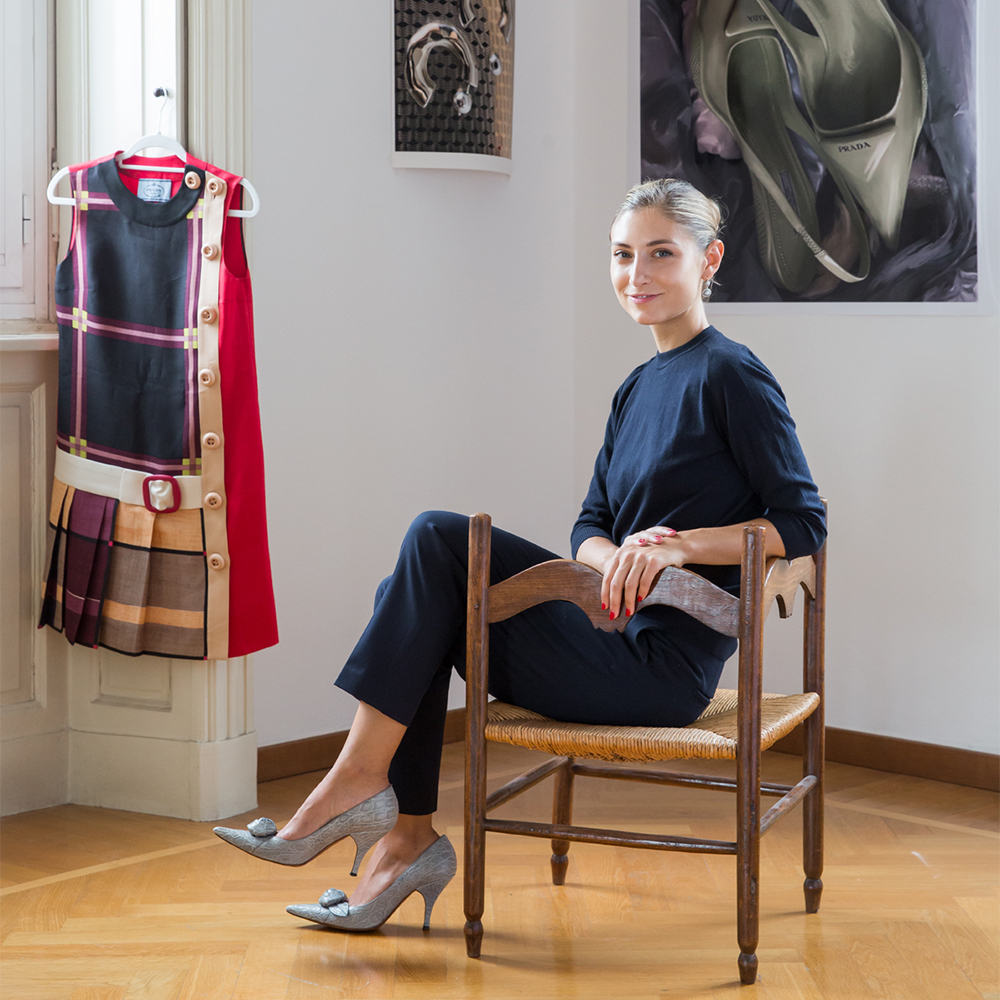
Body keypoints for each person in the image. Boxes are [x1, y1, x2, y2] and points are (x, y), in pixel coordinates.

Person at [214, 178, 827, 932]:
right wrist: (610, 558)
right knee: (427, 585)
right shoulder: (637, 387)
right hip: (603, 631)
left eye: (661, 253)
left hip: (660, 675)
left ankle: (363, 789)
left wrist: (679, 548)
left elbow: (803, 521)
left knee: (438, 539)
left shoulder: (732, 374)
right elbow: (589, 524)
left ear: (710, 260)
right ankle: (404, 840)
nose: (637, 274)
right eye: (622, 255)